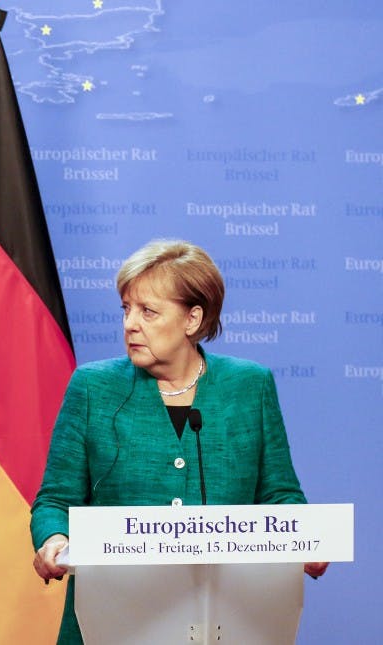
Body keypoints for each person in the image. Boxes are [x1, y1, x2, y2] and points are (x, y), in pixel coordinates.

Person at [30, 239, 328, 644]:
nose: (130, 324)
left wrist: (303, 538)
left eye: (148, 311)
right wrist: (54, 538)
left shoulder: (249, 385)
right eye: (127, 309)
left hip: (225, 618)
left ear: (192, 319)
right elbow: (55, 500)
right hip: (111, 617)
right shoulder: (92, 387)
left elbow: (279, 493)